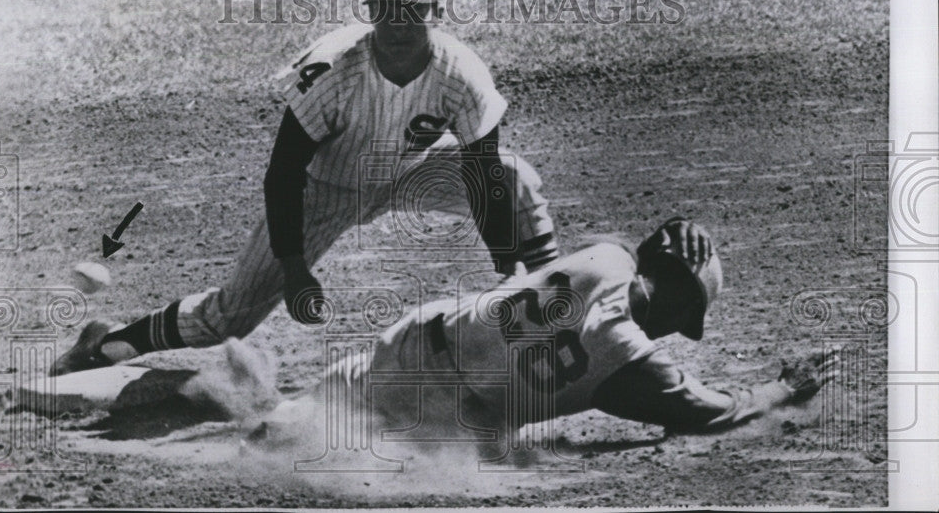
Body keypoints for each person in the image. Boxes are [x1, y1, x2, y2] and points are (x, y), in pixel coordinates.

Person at [52, 0, 560, 376]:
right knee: (228, 318)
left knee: (515, 177)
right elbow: (284, 173)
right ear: (370, 7)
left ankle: (555, 305)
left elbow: (483, 173)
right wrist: (295, 270)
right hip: (321, 192)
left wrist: (508, 268)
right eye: (386, 8)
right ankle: (104, 345)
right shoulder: (334, 70)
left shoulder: (461, 74)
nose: (398, 23)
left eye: (413, 9)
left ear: (437, 10)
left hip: (411, 173)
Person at [246, 217, 836, 448]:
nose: (679, 332)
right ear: (680, 296)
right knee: (322, 445)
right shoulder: (629, 358)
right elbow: (707, 412)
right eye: (687, 316)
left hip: (408, 342)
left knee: (285, 424)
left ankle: (203, 399)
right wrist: (780, 388)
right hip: (442, 419)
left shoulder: (605, 257)